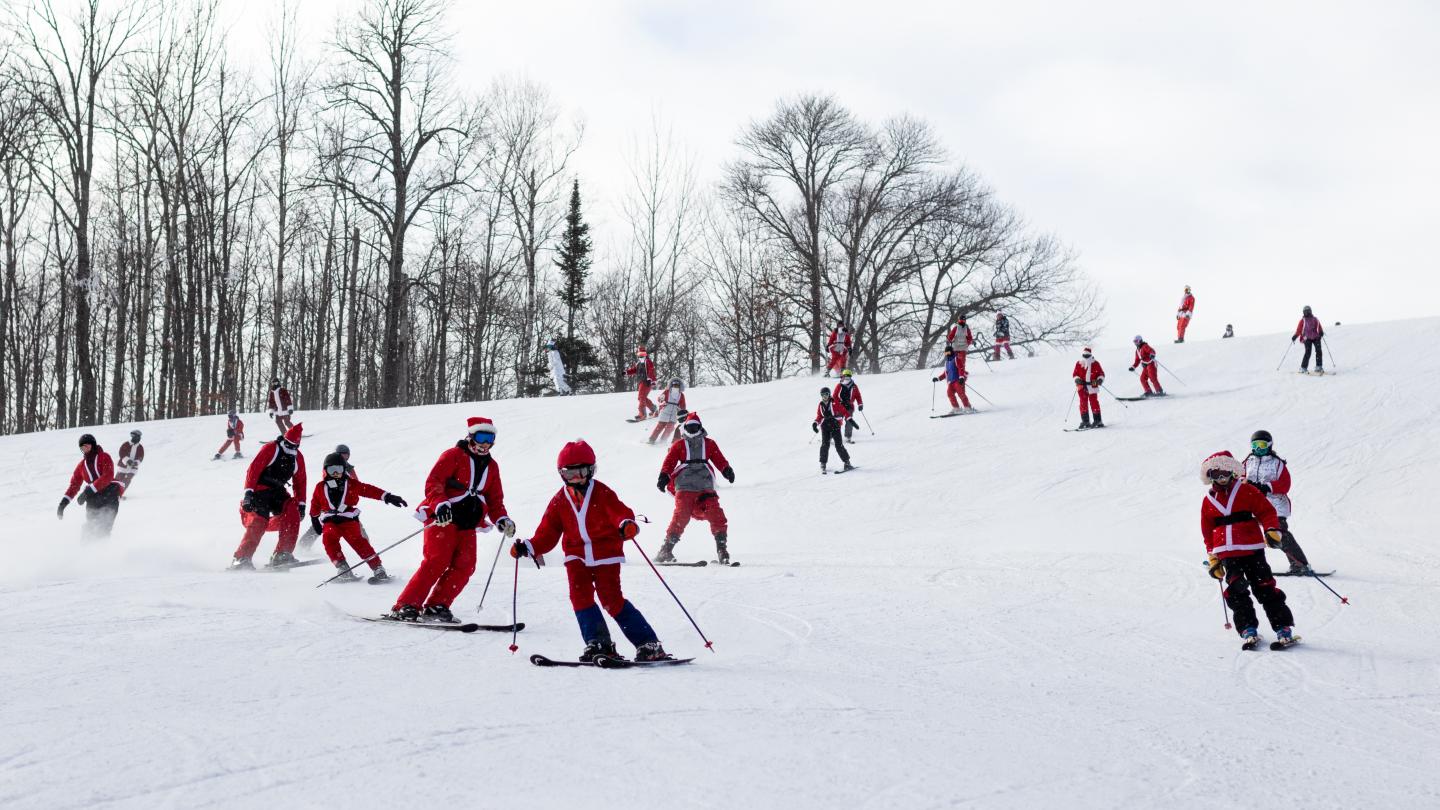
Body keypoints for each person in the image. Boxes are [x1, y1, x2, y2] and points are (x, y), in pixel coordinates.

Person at [511, 440, 673, 663]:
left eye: (580, 471)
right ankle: (598, 643)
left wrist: (626, 524)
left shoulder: (602, 493)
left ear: (591, 470)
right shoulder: (559, 500)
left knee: (611, 600)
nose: (575, 478)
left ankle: (648, 644)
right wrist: (529, 546)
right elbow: (547, 533)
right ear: (561, 474)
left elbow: (620, 512)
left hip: (605, 553)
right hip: (576, 556)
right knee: (580, 598)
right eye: (569, 474)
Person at [391, 417, 514, 622]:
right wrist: (440, 503)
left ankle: (437, 605)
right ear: (471, 437)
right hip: (444, 518)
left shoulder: (492, 466)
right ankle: (406, 605)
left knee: (465, 565)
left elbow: (495, 499)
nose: (485, 443)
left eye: (490, 438)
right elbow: (434, 482)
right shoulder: (453, 455)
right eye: (481, 437)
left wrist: (502, 519)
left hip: (468, 521)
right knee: (436, 561)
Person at [1199, 451, 1296, 648]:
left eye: (1224, 473)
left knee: (1264, 587)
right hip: (1227, 553)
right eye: (1216, 474)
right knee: (1236, 592)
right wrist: (1213, 558)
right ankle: (1247, 628)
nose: (1221, 478)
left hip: (1251, 549)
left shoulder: (1246, 491)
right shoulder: (1208, 501)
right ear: (1210, 476)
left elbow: (1266, 511)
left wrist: (1271, 530)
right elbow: (1207, 531)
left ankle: (1282, 627)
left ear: (1233, 472)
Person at [309, 451, 407, 584]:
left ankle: (378, 568)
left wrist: (387, 496)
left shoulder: (351, 484)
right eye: (332, 470)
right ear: (326, 471)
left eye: (339, 470)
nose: (336, 474)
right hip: (330, 521)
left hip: (348, 520)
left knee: (360, 543)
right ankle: (342, 567)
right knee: (329, 540)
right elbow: (315, 503)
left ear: (344, 470)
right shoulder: (321, 487)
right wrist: (314, 519)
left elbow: (369, 490)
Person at [655, 413, 736, 565]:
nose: (692, 430)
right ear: (685, 428)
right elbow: (670, 460)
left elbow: (719, 458)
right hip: (685, 486)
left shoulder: (709, 444)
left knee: (716, 514)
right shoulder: (679, 445)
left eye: (695, 427)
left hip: (705, 486)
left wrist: (726, 469)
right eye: (689, 427)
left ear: (700, 427)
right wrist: (664, 475)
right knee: (681, 516)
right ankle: (666, 549)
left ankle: (722, 549)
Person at [231, 423, 307, 569]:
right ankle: (241, 558)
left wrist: (301, 505)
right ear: (284, 440)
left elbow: (301, 481)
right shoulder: (271, 448)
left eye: (294, 446)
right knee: (259, 520)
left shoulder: (298, 457)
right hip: (259, 490)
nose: (291, 449)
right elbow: (253, 470)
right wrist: (248, 493)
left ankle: (282, 554)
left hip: (277, 491)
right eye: (289, 445)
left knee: (292, 510)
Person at [1243, 430, 1314, 575]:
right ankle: (1241, 564)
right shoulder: (1247, 462)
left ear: (1269, 445)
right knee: (1243, 531)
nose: (1258, 449)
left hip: (1276, 505)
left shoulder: (1277, 463)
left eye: (1262, 445)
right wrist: (1246, 485)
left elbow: (1285, 484)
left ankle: (1299, 564)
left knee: (1279, 533)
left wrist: (1266, 487)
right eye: (1255, 445)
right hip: (1254, 505)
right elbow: (1239, 479)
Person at [57, 433, 125, 540]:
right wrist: (63, 503)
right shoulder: (81, 466)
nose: (85, 449)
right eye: (82, 448)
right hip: (93, 499)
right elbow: (74, 485)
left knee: (103, 528)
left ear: (93, 445)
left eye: (87, 446)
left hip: (109, 494)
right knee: (90, 528)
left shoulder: (104, 457)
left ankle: (103, 551)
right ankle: (86, 552)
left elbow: (108, 476)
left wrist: (88, 491)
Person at [812, 387, 853, 474]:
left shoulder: (835, 402)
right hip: (825, 427)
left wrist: (849, 418)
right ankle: (823, 463)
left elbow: (843, 411)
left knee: (839, 445)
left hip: (835, 426)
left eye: (826, 394)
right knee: (825, 445)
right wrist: (815, 423)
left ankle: (847, 462)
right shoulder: (820, 405)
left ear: (829, 394)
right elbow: (819, 416)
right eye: (823, 395)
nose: (825, 396)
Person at [933, 347, 973, 414]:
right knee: (949, 393)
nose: (947, 354)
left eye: (948, 352)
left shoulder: (956, 359)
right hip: (951, 382)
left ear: (951, 352)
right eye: (946, 353)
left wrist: (961, 377)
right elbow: (945, 373)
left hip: (958, 380)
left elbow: (961, 368)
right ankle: (956, 408)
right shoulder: (947, 362)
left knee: (961, 393)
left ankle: (967, 407)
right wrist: (938, 378)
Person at [1072, 348, 1105, 429]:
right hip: (1082, 386)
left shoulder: (1095, 363)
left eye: (1087, 355)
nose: (1086, 356)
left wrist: (1100, 379)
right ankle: (1085, 421)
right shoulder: (1079, 363)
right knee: (1083, 403)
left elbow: (1101, 373)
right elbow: (1075, 374)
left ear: (1090, 355)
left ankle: (1098, 420)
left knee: (1094, 402)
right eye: (1084, 355)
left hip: (1092, 385)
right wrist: (1077, 379)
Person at [648, 378, 687, 445]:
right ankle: (652, 439)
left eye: (677, 385)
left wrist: (683, 411)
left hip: (674, 413)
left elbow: (683, 405)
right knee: (660, 426)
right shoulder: (667, 392)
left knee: (670, 427)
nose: (675, 386)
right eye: (674, 385)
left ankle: (663, 440)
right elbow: (660, 399)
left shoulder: (681, 395)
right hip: (666, 410)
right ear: (671, 385)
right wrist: (661, 399)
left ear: (680, 386)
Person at [624, 347, 659, 420]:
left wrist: (650, 379)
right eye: (639, 354)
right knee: (642, 397)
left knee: (641, 397)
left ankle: (642, 414)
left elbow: (651, 370)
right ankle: (654, 409)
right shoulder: (638, 363)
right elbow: (634, 370)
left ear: (646, 354)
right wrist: (627, 372)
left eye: (643, 354)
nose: (641, 356)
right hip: (641, 382)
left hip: (646, 381)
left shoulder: (647, 361)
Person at [833, 369, 864, 442]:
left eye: (848, 377)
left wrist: (860, 404)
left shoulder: (854, 386)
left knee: (849, 421)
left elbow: (858, 396)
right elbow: (834, 396)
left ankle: (848, 436)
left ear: (850, 377)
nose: (846, 379)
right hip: (840, 406)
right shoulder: (839, 385)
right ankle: (831, 436)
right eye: (845, 377)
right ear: (842, 377)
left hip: (849, 407)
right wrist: (838, 403)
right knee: (836, 420)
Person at [1292, 306, 1325, 374]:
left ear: (1310, 311)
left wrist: (1321, 332)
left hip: (1316, 337)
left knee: (1318, 351)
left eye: (1308, 311)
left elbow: (1319, 326)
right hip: (1307, 338)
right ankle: (1303, 368)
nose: (1307, 313)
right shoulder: (1302, 320)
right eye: (1305, 312)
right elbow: (1299, 330)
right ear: (1303, 313)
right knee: (1308, 352)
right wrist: (1295, 336)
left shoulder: (1315, 319)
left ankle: (1318, 366)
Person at [116, 429, 145, 494]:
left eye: (139, 437)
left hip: (133, 468)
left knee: (127, 480)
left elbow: (141, 456)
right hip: (123, 466)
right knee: (118, 480)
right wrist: (127, 460)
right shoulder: (126, 444)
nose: (139, 438)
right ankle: (112, 493)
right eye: (137, 437)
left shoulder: (140, 447)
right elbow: (122, 453)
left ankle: (120, 493)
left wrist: (136, 462)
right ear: (133, 437)